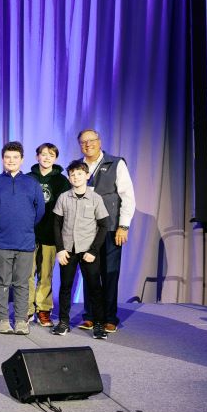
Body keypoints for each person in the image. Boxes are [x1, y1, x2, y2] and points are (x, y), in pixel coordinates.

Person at [77, 129, 135, 333]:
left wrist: (123, 225)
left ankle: (110, 317)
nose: (88, 144)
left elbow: (127, 196)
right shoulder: (79, 167)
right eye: (83, 142)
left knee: (109, 273)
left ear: (99, 142)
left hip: (111, 229)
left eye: (91, 140)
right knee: (89, 274)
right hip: (86, 231)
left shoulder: (116, 163)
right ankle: (90, 316)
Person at [0, 141, 45, 335]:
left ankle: (21, 320)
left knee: (21, 283)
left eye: (15, 157)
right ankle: (2, 319)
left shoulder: (32, 183)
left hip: (25, 242)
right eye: (7, 157)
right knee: (2, 283)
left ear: (22, 160)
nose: (11, 160)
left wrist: (24, 227)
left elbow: (39, 212)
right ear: (3, 159)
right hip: (0, 242)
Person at [51, 160, 110, 339]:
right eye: (72, 174)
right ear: (69, 178)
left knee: (94, 287)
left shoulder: (95, 198)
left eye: (79, 174)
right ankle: (63, 322)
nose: (75, 177)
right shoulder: (63, 197)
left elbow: (104, 226)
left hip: (88, 250)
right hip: (68, 250)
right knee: (65, 287)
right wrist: (60, 249)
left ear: (87, 176)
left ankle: (99, 324)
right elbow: (56, 224)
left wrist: (93, 251)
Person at [26, 143, 71, 327]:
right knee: (27, 274)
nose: (46, 157)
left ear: (55, 158)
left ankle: (43, 309)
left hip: (51, 234)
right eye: (43, 154)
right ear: (37, 157)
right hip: (29, 234)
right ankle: (26, 309)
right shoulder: (27, 178)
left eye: (50, 155)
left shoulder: (62, 181)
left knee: (46, 274)